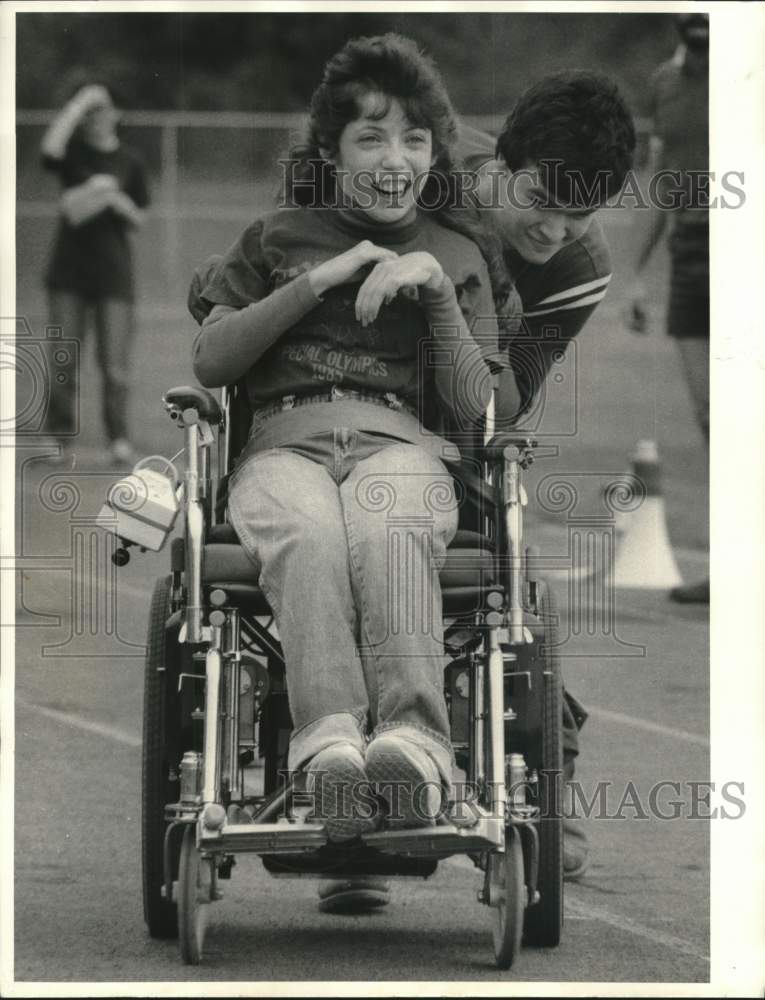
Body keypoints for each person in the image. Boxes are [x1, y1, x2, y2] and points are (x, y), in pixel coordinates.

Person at [316, 68, 637, 914]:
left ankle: (545, 747)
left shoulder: (576, 264)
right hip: (348, 405)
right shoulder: (426, 173)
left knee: (498, 590)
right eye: (541, 197)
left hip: (458, 428)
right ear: (502, 159)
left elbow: (510, 401)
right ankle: (355, 820)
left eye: (579, 212)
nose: (554, 225)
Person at [191, 35, 518, 846]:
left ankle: (414, 748)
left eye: (412, 138)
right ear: (331, 152)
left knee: (388, 517)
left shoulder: (456, 251)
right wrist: (319, 280)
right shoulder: (278, 233)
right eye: (369, 136)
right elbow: (211, 357)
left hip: (397, 446)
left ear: (434, 153)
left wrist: (437, 294)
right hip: (282, 447)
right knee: (308, 531)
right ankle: (329, 748)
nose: (394, 158)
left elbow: (484, 409)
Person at [623, 13, 709, 604]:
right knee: (715, 417)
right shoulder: (666, 82)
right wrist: (634, 276)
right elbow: (660, 178)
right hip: (691, 251)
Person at [40, 80, 150, 465]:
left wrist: (116, 200)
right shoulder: (73, 152)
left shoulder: (130, 161)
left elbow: (140, 216)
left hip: (113, 275)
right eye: (90, 111)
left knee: (115, 366)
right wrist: (78, 101)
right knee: (63, 361)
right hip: (68, 273)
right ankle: (58, 437)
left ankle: (118, 439)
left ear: (115, 114)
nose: (95, 117)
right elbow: (49, 151)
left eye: (101, 109)